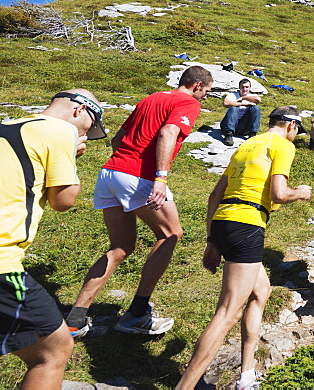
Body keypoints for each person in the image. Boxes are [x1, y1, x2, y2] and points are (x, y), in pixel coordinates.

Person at [66, 66, 213, 337]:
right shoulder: (187, 102)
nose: (205, 98)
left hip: (110, 172)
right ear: (197, 86)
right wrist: (160, 177)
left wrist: (123, 167)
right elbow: (168, 133)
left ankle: (75, 319)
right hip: (139, 176)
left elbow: (119, 138)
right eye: (206, 92)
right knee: (171, 234)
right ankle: (136, 313)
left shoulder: (151, 98)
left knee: (120, 247)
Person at [176, 107, 312, 390]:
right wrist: (301, 193)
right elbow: (279, 194)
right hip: (247, 224)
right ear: (290, 125)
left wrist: (212, 240)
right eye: (298, 130)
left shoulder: (248, 144)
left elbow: (215, 194)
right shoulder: (282, 145)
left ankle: (246, 375)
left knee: (261, 291)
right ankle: (185, 386)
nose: (296, 136)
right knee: (228, 312)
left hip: (224, 221)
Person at [0, 90, 105, 388]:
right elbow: (63, 200)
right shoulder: (61, 129)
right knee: (55, 351)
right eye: (88, 130)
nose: (86, 138)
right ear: (79, 111)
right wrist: (70, 158)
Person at [220, 78, 262, 147]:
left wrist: (243, 98)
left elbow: (258, 99)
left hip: (243, 127)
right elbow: (225, 103)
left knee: (256, 108)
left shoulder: (251, 96)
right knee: (234, 108)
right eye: (242, 87)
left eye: (247, 87)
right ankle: (228, 135)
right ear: (239, 88)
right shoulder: (233, 95)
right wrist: (243, 104)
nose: (244, 89)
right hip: (230, 124)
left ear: (250, 88)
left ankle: (252, 134)